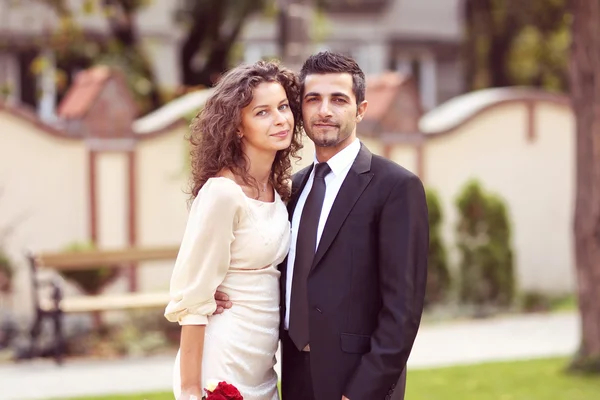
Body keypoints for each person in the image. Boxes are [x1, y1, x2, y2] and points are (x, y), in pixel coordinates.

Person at [216, 51, 429, 400]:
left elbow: (402, 313)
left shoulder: (395, 187)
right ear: (301, 109)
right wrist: (222, 291)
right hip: (294, 375)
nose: (325, 110)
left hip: (358, 382)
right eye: (313, 99)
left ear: (361, 109)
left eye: (339, 100)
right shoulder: (290, 188)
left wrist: (361, 392)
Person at [164, 60, 303, 400]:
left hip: (263, 362)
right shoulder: (222, 193)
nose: (280, 119)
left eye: (283, 106)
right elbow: (193, 300)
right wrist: (191, 390)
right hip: (224, 357)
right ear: (237, 126)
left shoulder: (278, 189)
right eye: (262, 112)